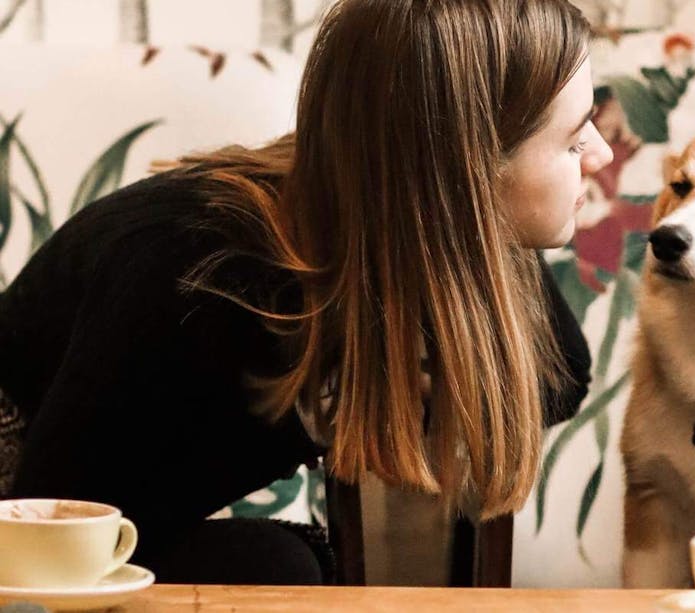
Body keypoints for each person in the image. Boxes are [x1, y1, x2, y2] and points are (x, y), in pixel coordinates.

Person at [0, 0, 612, 585]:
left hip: (115, 511)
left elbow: (558, 377)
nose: (603, 154)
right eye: (574, 136)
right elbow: (47, 530)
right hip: (24, 494)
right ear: (467, 170)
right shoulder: (199, 277)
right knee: (284, 567)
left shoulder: (429, 226)